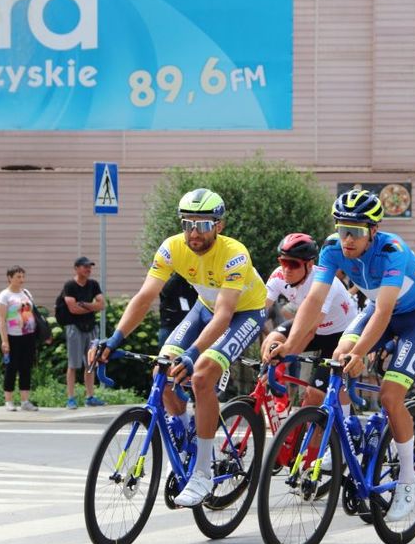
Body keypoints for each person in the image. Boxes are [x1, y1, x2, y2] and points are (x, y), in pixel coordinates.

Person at [266, 189, 415, 523]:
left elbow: (386, 312)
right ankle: (342, 433)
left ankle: (407, 476)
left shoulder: (393, 251)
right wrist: (290, 346)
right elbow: (313, 302)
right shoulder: (332, 248)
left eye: (355, 231)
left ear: (373, 231)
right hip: (375, 309)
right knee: (338, 357)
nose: (347, 238)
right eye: (342, 228)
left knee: (390, 396)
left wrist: (361, 353)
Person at [95, 188, 268, 507]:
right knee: (162, 369)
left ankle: (202, 472)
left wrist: (193, 355)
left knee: (201, 376)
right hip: (204, 307)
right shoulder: (172, 247)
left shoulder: (235, 253)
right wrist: (115, 339)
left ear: (219, 226)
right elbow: (144, 297)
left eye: (203, 225)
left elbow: (225, 315)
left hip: (244, 313)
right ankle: (190, 430)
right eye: (188, 223)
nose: (193, 232)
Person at [259, 233, 358, 407]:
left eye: (293, 264)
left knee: (313, 397)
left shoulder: (324, 283)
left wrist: (282, 361)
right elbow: (259, 312)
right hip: (314, 328)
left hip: (340, 336)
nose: (286, 269)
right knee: (270, 342)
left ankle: (345, 424)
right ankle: (280, 400)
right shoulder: (278, 276)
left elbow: (309, 332)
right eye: (283, 262)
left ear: (310, 265)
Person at [58, 257, 105, 409]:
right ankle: (71, 398)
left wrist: (84, 304)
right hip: (74, 327)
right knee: (73, 364)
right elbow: (73, 309)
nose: (88, 269)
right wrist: (92, 306)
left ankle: (90, 396)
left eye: (90, 267)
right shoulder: (70, 285)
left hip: (90, 327)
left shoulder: (93, 284)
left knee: (90, 363)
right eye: (85, 267)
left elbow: (102, 305)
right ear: (76, 268)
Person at [0, 265, 39, 412]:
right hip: (12, 335)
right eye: (18, 277)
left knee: (26, 367)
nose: (21, 280)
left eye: (23, 276)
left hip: (28, 334)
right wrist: (4, 341)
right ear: (10, 278)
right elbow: (1, 319)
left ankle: (25, 400)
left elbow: (32, 312)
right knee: (11, 367)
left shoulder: (26, 293)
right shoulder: (4, 296)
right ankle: (8, 400)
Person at [157, 273, 198, 346]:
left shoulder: (192, 284)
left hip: (189, 325)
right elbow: (166, 291)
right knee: (165, 352)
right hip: (170, 324)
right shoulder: (173, 280)